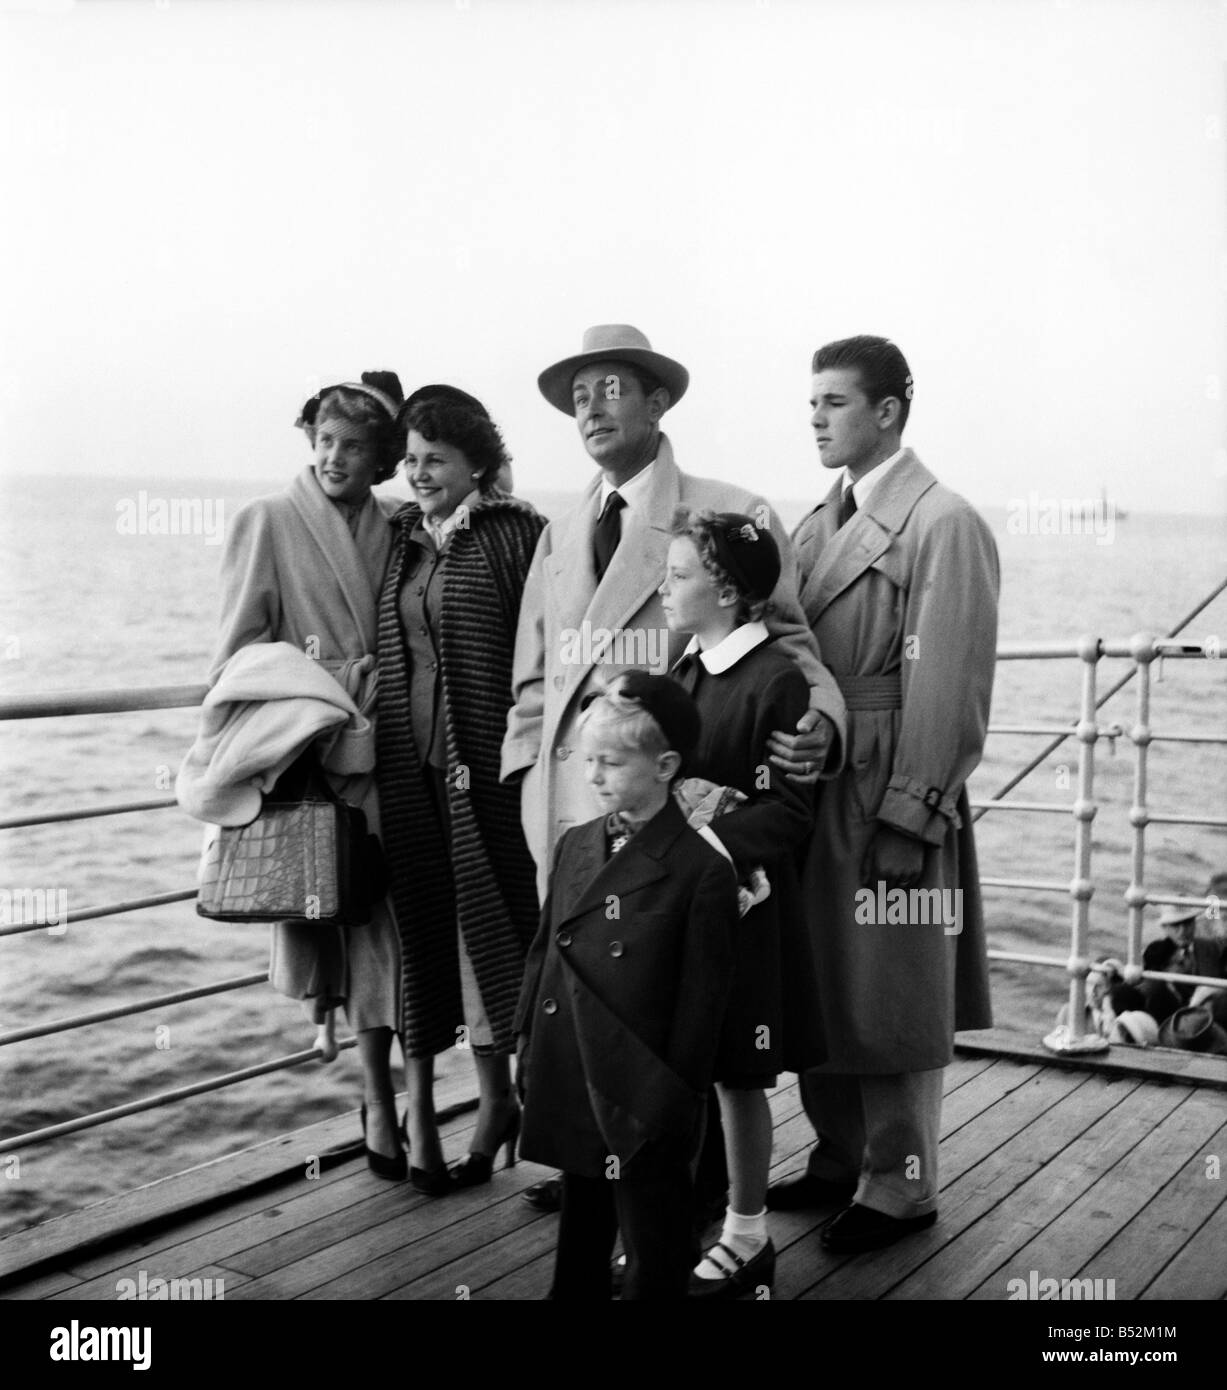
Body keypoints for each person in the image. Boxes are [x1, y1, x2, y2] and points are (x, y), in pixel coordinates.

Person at [502, 323, 847, 1212]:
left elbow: (795, 655)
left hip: (670, 812)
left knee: (670, 1000)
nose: (591, 408)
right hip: (576, 804)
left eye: (611, 388)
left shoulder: (727, 510)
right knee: (587, 990)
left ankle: (682, 1188)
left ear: (658, 402)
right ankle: (597, 1158)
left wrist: (824, 732)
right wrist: (525, 776)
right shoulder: (560, 529)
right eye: (578, 395)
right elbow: (535, 675)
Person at [766, 335, 998, 1254]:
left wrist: (915, 811)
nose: (815, 419)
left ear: (888, 411)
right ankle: (840, 1157)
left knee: (892, 990)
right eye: (811, 403)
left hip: (891, 781)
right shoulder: (816, 525)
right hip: (820, 782)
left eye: (832, 402)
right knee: (824, 984)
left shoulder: (942, 522)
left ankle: (900, 1186)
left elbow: (947, 682)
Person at [204, 371, 409, 1179]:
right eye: (324, 440)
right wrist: (310, 698)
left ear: (381, 458)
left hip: (389, 746)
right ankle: (381, 1109)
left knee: (386, 928)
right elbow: (234, 656)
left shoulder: (399, 523)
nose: (334, 457)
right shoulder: (267, 520)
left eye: (355, 446)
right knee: (342, 922)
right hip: (316, 752)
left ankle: (391, 1102)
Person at [515, 673, 739, 1300]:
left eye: (610, 762)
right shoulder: (576, 844)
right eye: (587, 760)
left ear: (666, 765)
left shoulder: (702, 871)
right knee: (581, 1217)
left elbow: (703, 1005)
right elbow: (545, 954)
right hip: (574, 1064)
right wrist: (526, 1041)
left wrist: (676, 1096)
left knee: (656, 1242)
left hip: (645, 1086)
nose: (593, 776)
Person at [376, 385, 545, 1193]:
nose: (418, 474)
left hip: (489, 776)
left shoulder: (517, 535)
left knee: (504, 935)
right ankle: (484, 1104)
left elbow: (541, 654)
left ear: (477, 462)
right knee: (435, 937)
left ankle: (519, 1108)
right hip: (413, 777)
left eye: (434, 460)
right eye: (409, 461)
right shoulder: (406, 540)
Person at [658, 509, 822, 1299]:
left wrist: (710, 842)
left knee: (736, 1075)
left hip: (746, 910)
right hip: (688, 908)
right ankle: (684, 1219)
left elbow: (790, 813)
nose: (666, 585)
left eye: (680, 573)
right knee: (685, 1063)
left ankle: (748, 1234)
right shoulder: (684, 668)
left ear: (725, 589)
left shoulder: (775, 678)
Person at [1138, 901, 1227, 1026]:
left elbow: (1212, 986)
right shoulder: (1155, 951)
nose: (1182, 931)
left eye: (1187, 924)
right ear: (1165, 928)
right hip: (1166, 1009)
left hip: (1203, 1013)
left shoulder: (1208, 948)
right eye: (1176, 926)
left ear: (1194, 923)